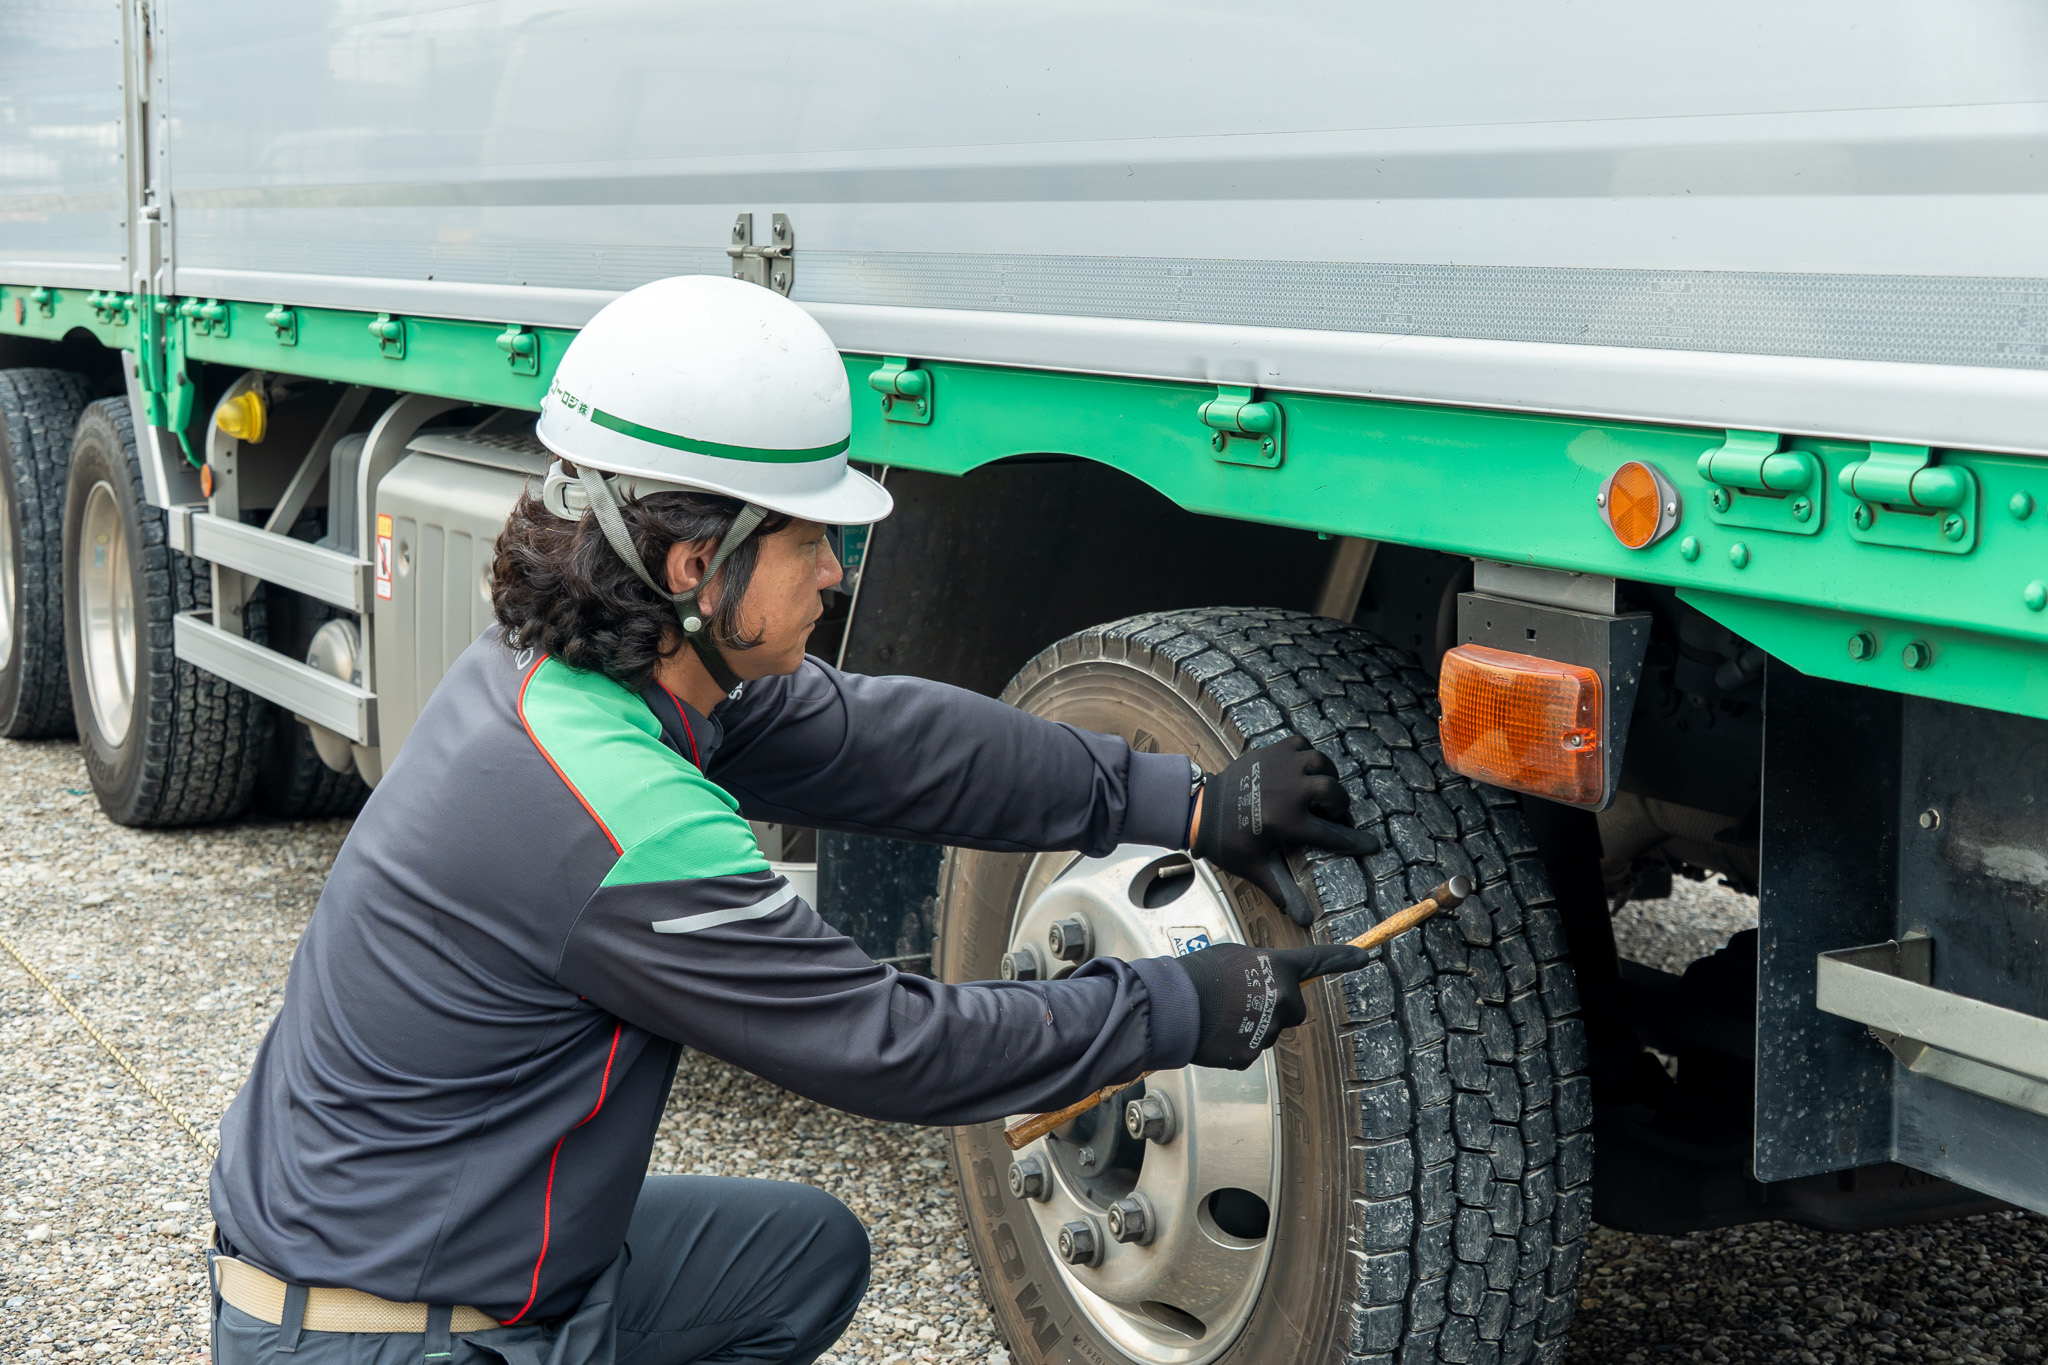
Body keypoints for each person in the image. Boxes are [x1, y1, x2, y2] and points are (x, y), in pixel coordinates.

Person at [206, 276, 1379, 1365]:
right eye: (809, 538)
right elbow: (893, 1046)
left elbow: (887, 742)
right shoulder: (604, 814)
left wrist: (1183, 799)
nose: (834, 573)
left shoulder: (590, 665)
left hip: (453, 1244)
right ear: (693, 564)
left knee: (800, 1261)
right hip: (384, 1331)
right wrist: (1177, 1003)